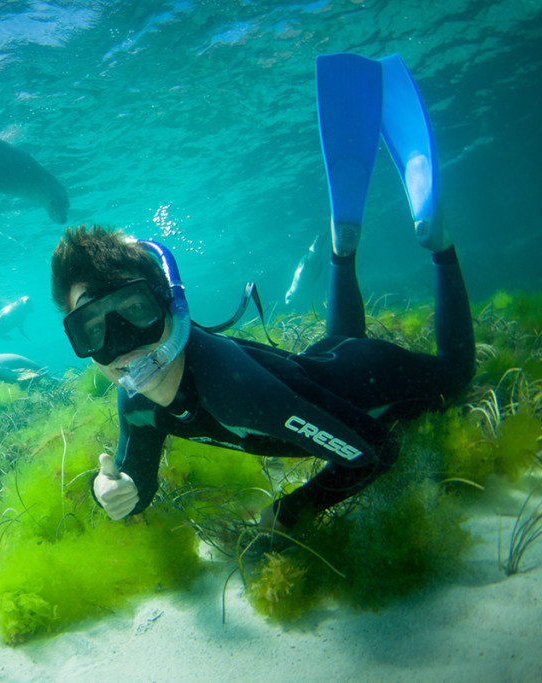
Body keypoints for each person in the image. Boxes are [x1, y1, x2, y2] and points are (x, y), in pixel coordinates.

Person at [49, 53, 476, 549]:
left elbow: (376, 450)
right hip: (324, 364)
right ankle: (341, 252)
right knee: (338, 346)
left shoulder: (237, 393)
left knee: (458, 377)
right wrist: (116, 491)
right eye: (93, 330)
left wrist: (294, 508)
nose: (125, 347)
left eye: (135, 311)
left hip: (370, 378)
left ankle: (439, 244)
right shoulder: (137, 403)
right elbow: (138, 486)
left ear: (170, 304)